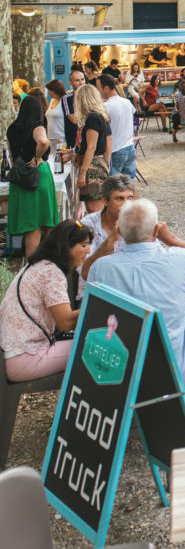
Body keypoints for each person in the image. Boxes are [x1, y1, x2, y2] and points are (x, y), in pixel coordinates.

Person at [89, 199, 185, 444]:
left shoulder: (101, 268)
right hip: (171, 369)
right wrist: (171, 238)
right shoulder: (177, 258)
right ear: (156, 231)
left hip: (119, 370)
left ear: (120, 232)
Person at [0, 220, 91, 381]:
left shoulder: (39, 265)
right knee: (93, 346)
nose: (88, 251)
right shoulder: (51, 273)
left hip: (15, 355)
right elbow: (65, 323)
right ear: (66, 247)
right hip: (24, 359)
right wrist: (97, 309)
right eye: (83, 246)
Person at [5, 96, 59, 256]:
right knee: (43, 223)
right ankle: (45, 263)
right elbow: (43, 141)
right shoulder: (38, 126)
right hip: (38, 175)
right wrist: (36, 157)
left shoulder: (12, 128)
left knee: (31, 224)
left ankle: (31, 266)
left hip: (20, 177)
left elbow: (12, 154)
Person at [78, 175, 134, 297]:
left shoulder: (137, 224)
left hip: (128, 296)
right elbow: (85, 273)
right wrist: (111, 240)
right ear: (104, 201)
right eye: (119, 199)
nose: (126, 205)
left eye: (130, 198)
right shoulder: (88, 225)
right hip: (95, 296)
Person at [71, 84, 112, 214]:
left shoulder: (92, 118)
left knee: (94, 211)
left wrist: (83, 173)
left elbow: (91, 147)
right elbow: (107, 141)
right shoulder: (101, 115)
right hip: (99, 163)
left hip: (93, 165)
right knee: (96, 209)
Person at [97, 74, 136, 179]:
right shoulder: (126, 102)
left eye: (98, 88)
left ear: (106, 88)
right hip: (130, 146)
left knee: (113, 187)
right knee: (129, 185)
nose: (98, 91)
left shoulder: (106, 106)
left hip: (115, 149)